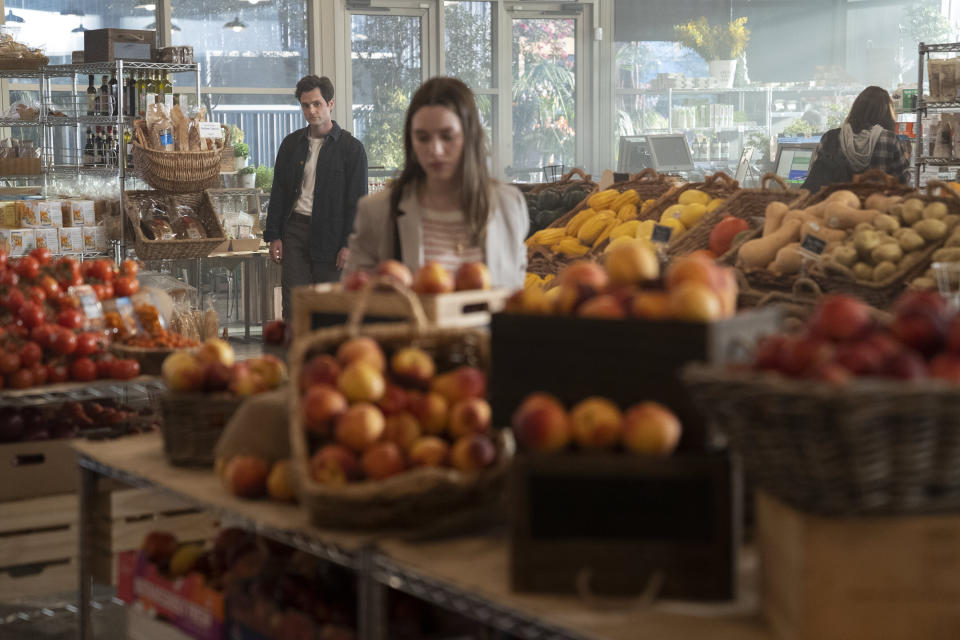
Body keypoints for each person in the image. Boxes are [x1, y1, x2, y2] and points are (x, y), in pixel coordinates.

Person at [343, 77, 527, 289]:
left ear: (469, 136)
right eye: (422, 138)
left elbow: (514, 296)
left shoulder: (509, 205)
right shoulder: (378, 210)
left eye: (447, 136)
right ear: (410, 141)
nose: (435, 150)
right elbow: (353, 300)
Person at [264, 75, 368, 320]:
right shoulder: (291, 145)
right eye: (305, 105)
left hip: (331, 236)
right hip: (295, 232)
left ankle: (326, 356)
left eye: (317, 103)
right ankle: (294, 356)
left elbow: (358, 203)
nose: (311, 110)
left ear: (330, 104)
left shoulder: (351, 149)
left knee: (329, 305)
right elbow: (278, 191)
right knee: (294, 304)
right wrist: (274, 236)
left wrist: (349, 244)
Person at [801, 86, 909, 193]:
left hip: (834, 204)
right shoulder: (890, 140)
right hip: (875, 206)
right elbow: (902, 183)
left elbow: (815, 174)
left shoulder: (830, 138)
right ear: (886, 114)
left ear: (856, 108)